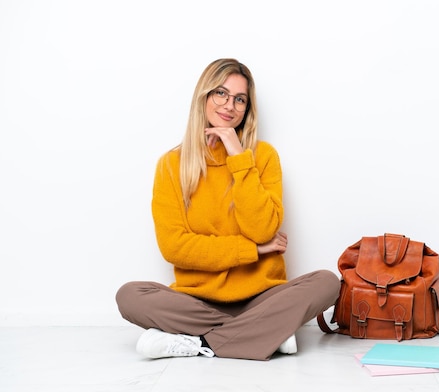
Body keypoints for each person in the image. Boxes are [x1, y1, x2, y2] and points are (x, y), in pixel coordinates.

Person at [116, 58, 340, 361]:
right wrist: (255, 251)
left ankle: (198, 343)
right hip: (196, 301)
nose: (229, 105)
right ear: (204, 97)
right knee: (130, 296)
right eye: (220, 93)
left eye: (240, 99)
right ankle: (265, 335)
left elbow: (263, 229)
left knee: (327, 283)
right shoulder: (171, 165)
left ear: (248, 108)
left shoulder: (263, 156)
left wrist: (238, 156)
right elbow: (174, 247)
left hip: (262, 298)